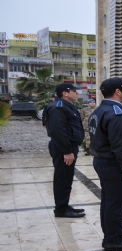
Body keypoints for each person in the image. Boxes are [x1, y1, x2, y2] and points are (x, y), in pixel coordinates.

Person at [88, 77, 122, 251]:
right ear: (118, 91)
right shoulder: (116, 113)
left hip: (103, 161)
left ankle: (113, 236)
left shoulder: (101, 109)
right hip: (114, 165)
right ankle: (113, 241)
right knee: (116, 204)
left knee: (109, 202)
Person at [45, 84, 85, 218]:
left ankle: (64, 204)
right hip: (63, 148)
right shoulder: (58, 107)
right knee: (62, 178)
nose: (77, 93)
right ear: (65, 93)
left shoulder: (66, 106)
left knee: (66, 178)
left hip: (67, 146)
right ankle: (61, 209)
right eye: (74, 91)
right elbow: (57, 131)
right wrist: (67, 151)